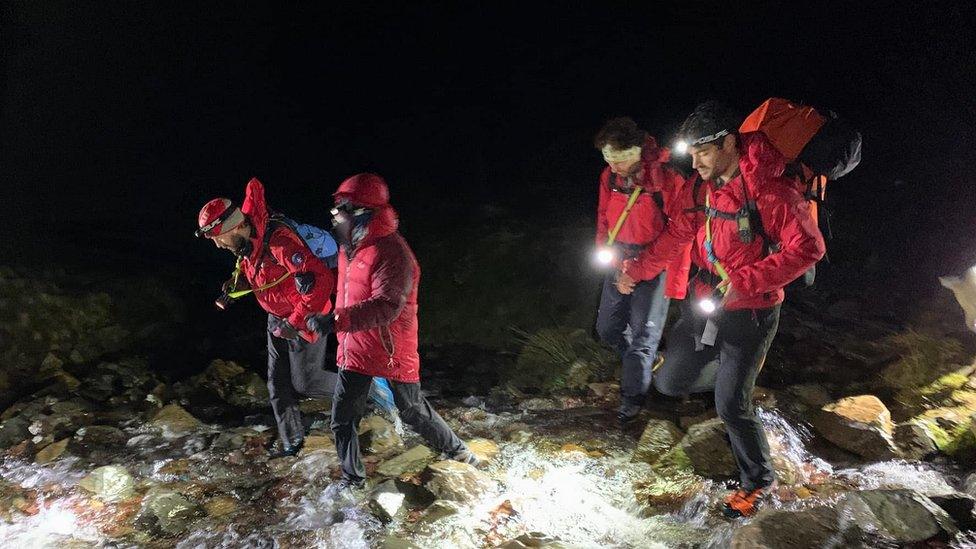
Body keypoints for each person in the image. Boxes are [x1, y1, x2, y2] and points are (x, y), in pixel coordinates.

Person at [618, 101, 825, 517]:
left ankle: (758, 480)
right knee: (671, 383)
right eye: (690, 154)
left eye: (703, 151)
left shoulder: (770, 189)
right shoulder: (707, 187)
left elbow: (810, 248)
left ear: (730, 143)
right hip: (706, 305)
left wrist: (746, 281)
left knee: (731, 405)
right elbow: (679, 233)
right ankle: (733, 379)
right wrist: (638, 270)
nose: (695, 163)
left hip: (752, 311)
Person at [306, 173, 478, 490]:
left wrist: (334, 321)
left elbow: (386, 306)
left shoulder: (394, 253)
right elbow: (348, 285)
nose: (335, 217)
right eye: (335, 211)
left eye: (340, 210)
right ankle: (352, 481)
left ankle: (463, 456)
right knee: (342, 419)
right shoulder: (349, 249)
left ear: (361, 212)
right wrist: (312, 282)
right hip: (355, 346)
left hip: (390, 349)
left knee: (412, 410)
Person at [197, 178, 338, 457]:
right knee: (278, 385)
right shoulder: (247, 244)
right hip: (277, 319)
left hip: (304, 317)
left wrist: (295, 322)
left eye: (218, 239)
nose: (218, 246)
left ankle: (367, 386)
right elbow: (266, 277)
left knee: (306, 383)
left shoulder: (280, 241)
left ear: (234, 227)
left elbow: (320, 282)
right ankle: (292, 444)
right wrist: (237, 287)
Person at [592, 117, 691, 424]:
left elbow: (677, 233)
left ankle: (632, 401)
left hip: (654, 262)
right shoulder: (609, 178)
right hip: (619, 258)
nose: (614, 165)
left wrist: (637, 271)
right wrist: (614, 263)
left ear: (637, 151)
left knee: (642, 339)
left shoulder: (668, 180)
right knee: (607, 329)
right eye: (608, 159)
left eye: (619, 159)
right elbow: (604, 220)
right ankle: (644, 366)